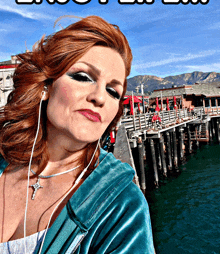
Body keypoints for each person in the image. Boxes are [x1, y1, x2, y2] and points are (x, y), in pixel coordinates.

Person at [0, 16, 155, 253]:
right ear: (45, 86)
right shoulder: (3, 156)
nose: (100, 97)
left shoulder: (123, 208)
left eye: (113, 91)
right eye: (83, 77)